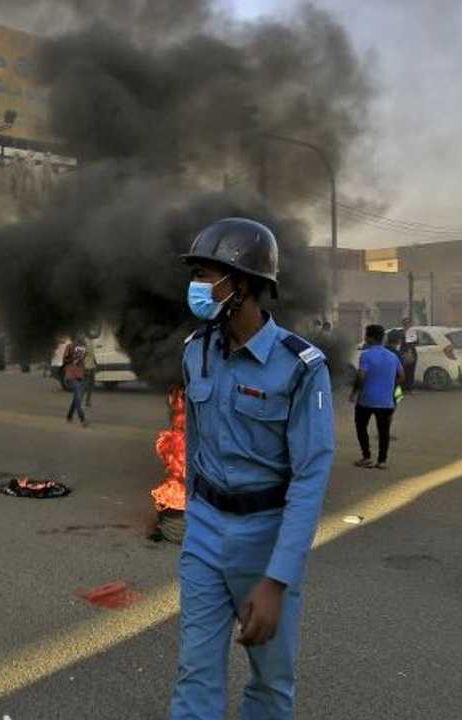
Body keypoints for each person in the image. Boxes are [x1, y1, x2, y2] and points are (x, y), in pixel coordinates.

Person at [171, 218, 333, 719]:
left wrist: (278, 578)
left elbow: (310, 477)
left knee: (269, 681)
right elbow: (195, 442)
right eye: (196, 274)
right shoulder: (195, 352)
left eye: (206, 275)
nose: (197, 287)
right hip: (204, 531)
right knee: (194, 671)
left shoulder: (302, 366)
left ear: (241, 283)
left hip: (264, 538)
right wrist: (194, 516)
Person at [350, 324, 402, 469]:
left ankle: (366, 457)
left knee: (361, 427)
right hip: (386, 401)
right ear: (383, 338)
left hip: (366, 400)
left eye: (366, 335)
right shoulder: (392, 356)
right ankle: (382, 461)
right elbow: (401, 376)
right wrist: (389, 386)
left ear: (369, 338)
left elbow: (361, 376)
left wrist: (354, 392)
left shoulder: (366, 355)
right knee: (384, 431)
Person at [62, 338, 88, 427]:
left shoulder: (83, 349)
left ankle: (69, 417)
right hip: (71, 376)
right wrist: (73, 358)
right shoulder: (69, 347)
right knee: (78, 398)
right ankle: (82, 419)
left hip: (80, 376)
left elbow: (83, 362)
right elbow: (64, 360)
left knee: (76, 398)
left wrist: (81, 357)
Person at [390, 316, 418, 395]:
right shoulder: (400, 332)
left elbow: (416, 342)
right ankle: (403, 389)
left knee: (411, 371)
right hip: (403, 353)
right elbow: (398, 342)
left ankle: (410, 388)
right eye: (405, 323)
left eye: (408, 323)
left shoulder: (413, 332)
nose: (407, 324)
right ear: (403, 324)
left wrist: (411, 345)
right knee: (403, 371)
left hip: (412, 353)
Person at [82, 342, 98, 407]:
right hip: (87, 367)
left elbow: (93, 355)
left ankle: (87, 402)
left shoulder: (91, 342)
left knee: (91, 385)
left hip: (92, 366)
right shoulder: (83, 341)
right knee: (85, 385)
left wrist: (95, 363)